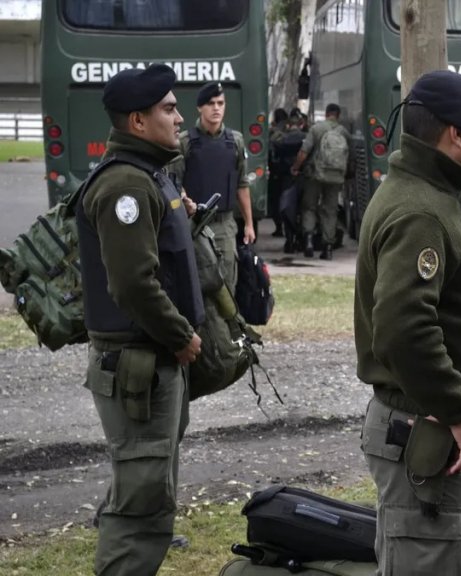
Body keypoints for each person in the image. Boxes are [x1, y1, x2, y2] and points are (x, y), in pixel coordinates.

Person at [353, 70, 461, 576]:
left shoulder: (425, 194)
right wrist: (455, 408)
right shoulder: (422, 209)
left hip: (425, 421)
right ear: (454, 135)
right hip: (425, 423)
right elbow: (403, 329)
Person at [77, 63, 204, 576]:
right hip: (140, 364)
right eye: (168, 109)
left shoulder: (150, 176)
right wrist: (181, 336)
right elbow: (133, 284)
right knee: (141, 500)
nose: (180, 118)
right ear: (137, 121)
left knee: (149, 489)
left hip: (152, 363)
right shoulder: (125, 187)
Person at [169, 81, 253, 292]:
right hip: (194, 225)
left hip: (225, 224)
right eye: (210, 103)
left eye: (220, 103)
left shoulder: (235, 141)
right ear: (200, 107)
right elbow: (175, 184)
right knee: (195, 285)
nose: (216, 108)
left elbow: (242, 184)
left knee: (227, 287)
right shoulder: (185, 142)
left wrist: (249, 223)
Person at [290, 103, 351, 260]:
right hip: (336, 177)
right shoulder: (344, 132)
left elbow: (304, 152)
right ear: (338, 115)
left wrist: (296, 167)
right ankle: (328, 248)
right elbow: (351, 159)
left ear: (326, 114)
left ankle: (309, 242)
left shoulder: (316, 129)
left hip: (315, 175)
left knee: (309, 206)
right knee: (330, 210)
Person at [268, 107, 290, 238]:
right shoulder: (291, 131)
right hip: (289, 173)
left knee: (275, 201)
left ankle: (279, 227)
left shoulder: (273, 133)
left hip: (275, 172)